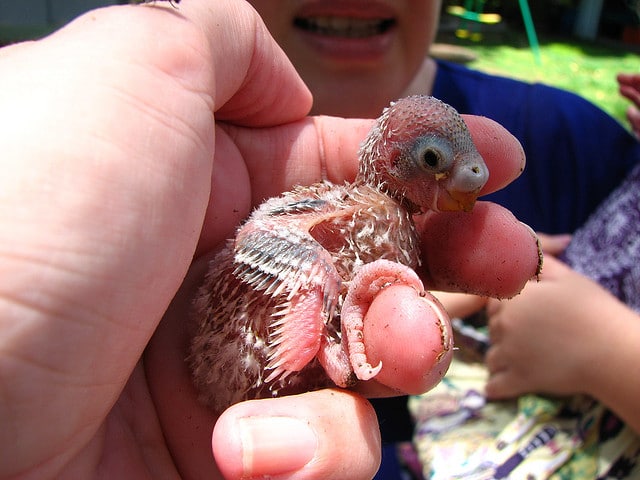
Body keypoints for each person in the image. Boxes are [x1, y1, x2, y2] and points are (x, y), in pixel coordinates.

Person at [0, 1, 539, 479]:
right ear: (396, 163)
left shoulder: (392, 222)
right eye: (432, 163)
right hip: (246, 347)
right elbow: (267, 236)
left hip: (215, 395)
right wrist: (336, 317)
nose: (464, 180)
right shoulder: (355, 208)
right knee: (315, 267)